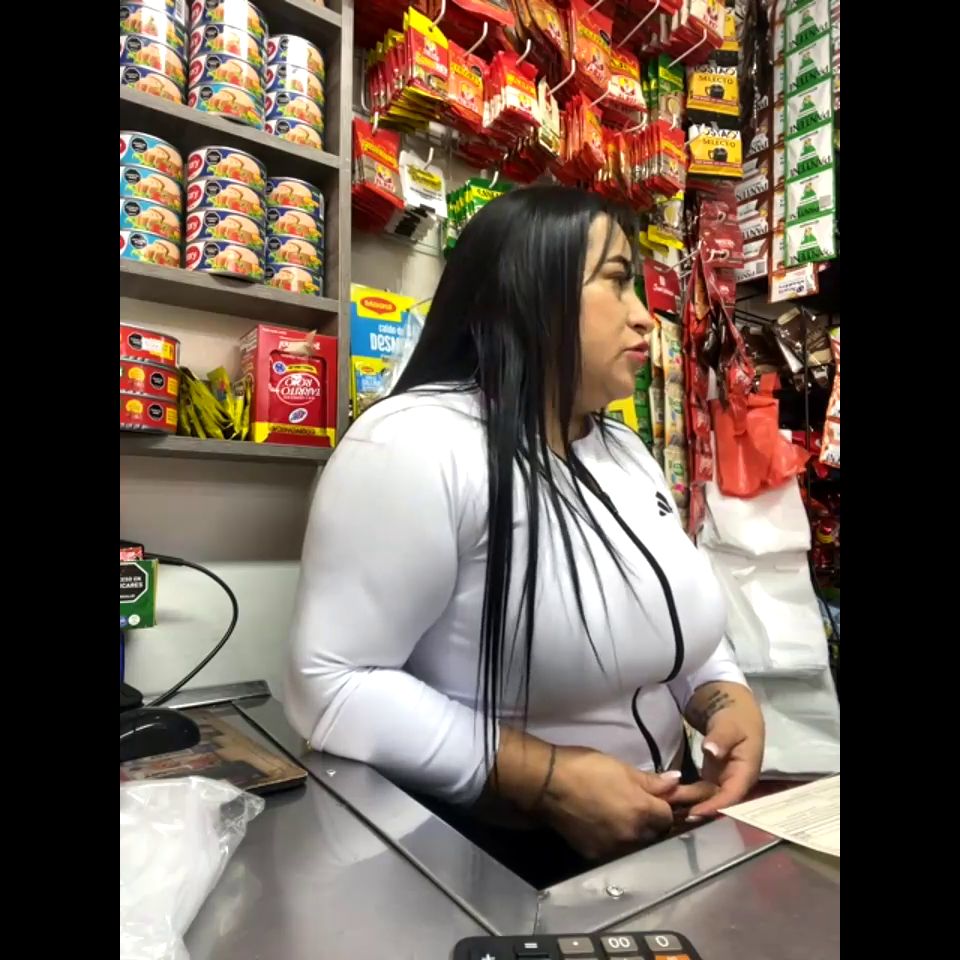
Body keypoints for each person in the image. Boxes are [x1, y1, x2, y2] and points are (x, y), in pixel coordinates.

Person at [285, 186, 765, 884]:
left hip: (663, 825)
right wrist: (547, 779)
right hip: (494, 859)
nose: (643, 316)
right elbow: (330, 684)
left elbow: (666, 612)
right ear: (529, 290)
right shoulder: (415, 444)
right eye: (617, 281)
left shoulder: (624, 451)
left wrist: (724, 695)